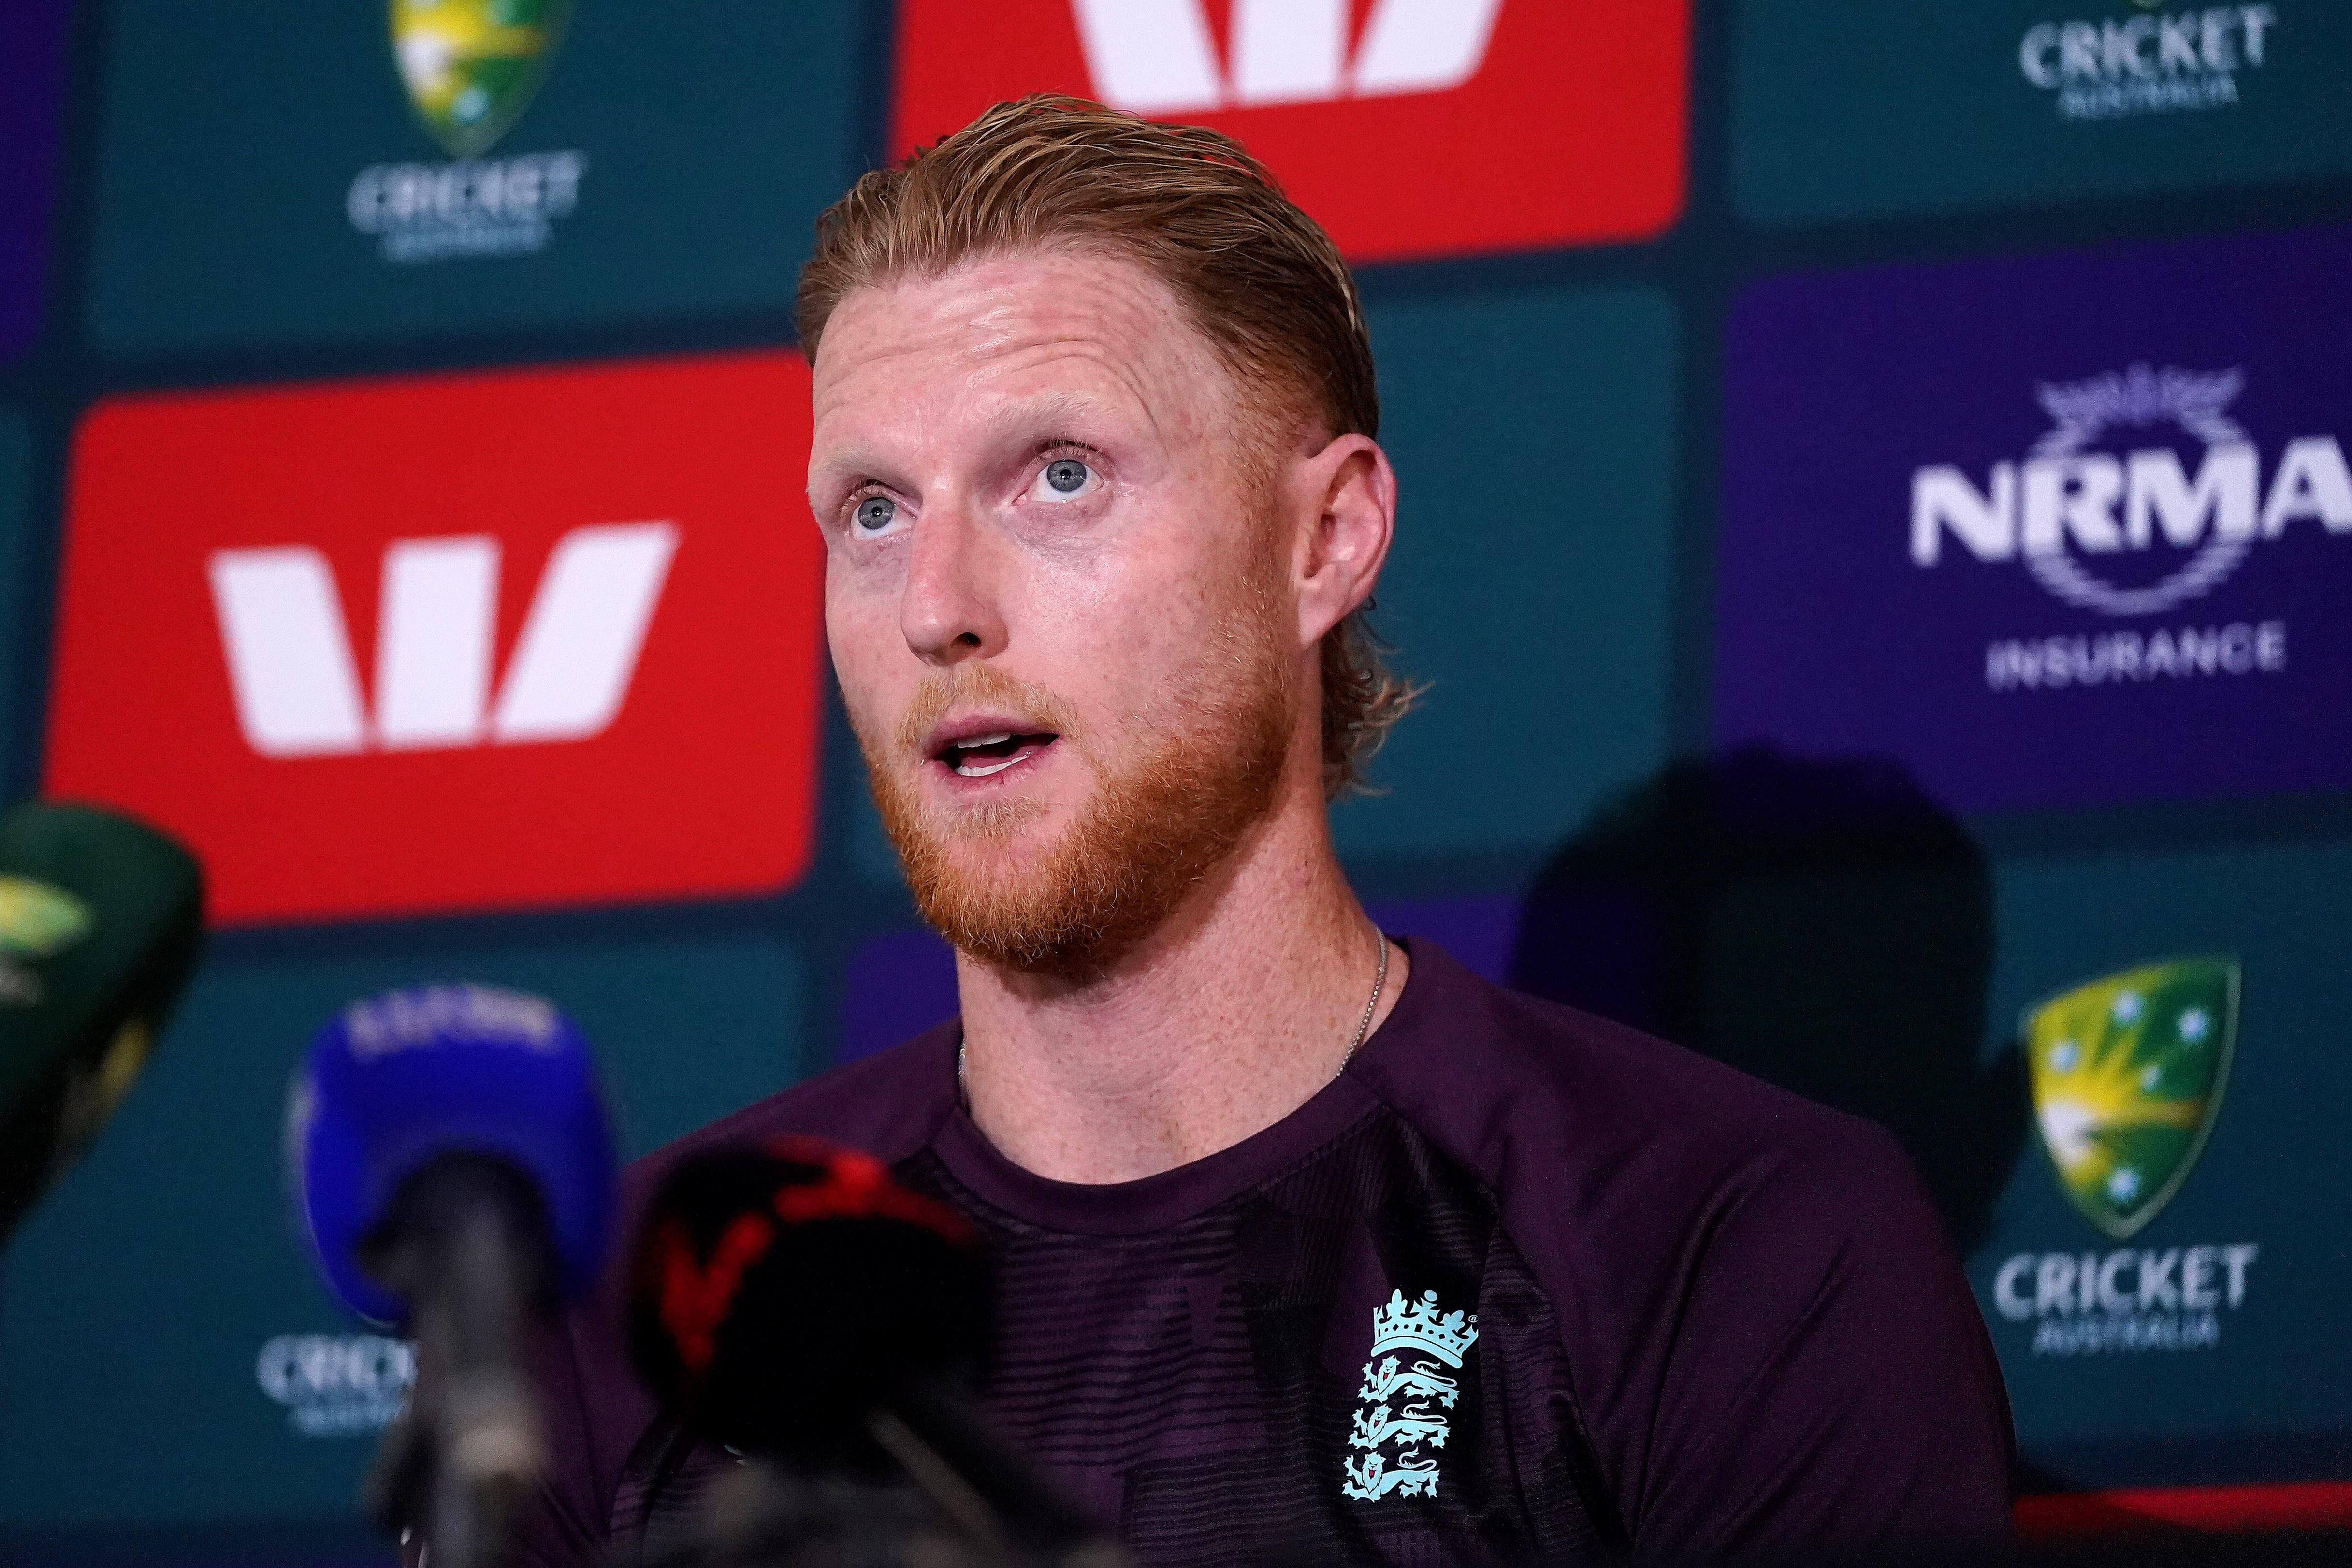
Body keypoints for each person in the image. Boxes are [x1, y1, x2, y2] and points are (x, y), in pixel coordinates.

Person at [519, 96, 2013, 1566]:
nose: (934, 606)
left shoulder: (1717, 1245)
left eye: (1057, 476)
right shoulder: (656, 1307)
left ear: (1325, 539)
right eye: (871, 512)